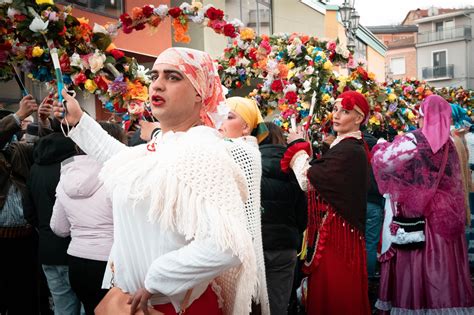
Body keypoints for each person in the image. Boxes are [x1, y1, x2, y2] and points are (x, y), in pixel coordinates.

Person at [53, 47, 258, 315]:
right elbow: (124, 160)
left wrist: (157, 278)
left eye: (173, 77)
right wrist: (79, 120)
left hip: (176, 307)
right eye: (155, 75)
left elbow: (227, 244)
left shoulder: (203, 151)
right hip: (137, 302)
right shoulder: (163, 146)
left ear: (199, 91)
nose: (158, 85)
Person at [373, 95, 474, 313]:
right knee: (445, 269)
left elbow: (384, 163)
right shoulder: (453, 143)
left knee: (419, 266)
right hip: (448, 219)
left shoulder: (413, 140)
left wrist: (381, 146)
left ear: (423, 116)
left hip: (421, 218)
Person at [281, 90, 371, 314]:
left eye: (345, 111)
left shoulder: (349, 149)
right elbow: (321, 174)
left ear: (359, 118)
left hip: (337, 237)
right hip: (334, 232)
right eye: (335, 109)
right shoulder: (345, 147)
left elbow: (307, 180)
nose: (337, 115)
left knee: (335, 291)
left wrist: (299, 147)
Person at [50, 122, 126, 315]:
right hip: (111, 262)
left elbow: (58, 227)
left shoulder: (66, 176)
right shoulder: (118, 175)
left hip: (77, 261)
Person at [0, 96, 39, 315]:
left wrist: (42, 120)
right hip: (1, 239)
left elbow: (38, 146)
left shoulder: (16, 149)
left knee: (24, 297)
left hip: (25, 237)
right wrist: (18, 115)